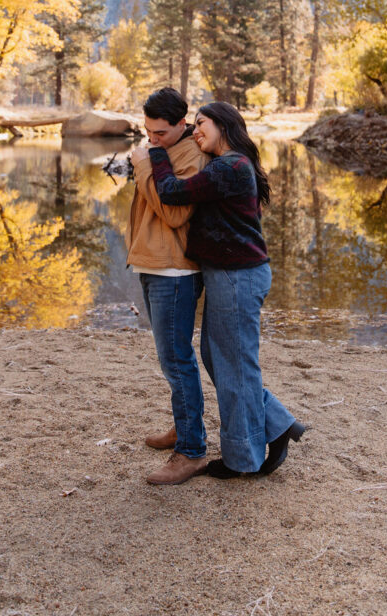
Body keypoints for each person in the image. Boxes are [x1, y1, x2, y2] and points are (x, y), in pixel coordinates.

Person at [146, 101, 306, 478]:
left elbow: (169, 190)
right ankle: (278, 424)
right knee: (222, 361)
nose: (196, 131)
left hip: (238, 276)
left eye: (202, 125)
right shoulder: (229, 165)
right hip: (230, 274)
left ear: (225, 125)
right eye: (194, 125)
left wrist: (154, 150)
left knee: (234, 366)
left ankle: (242, 461)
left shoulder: (230, 166)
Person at [127, 88, 209, 486]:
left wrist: (144, 165)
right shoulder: (162, 149)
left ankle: (192, 451)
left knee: (177, 360)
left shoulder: (192, 155)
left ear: (182, 124)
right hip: (154, 264)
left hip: (174, 271)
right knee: (170, 359)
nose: (152, 139)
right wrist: (149, 159)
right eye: (148, 131)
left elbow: (175, 214)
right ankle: (184, 426)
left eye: (160, 132)